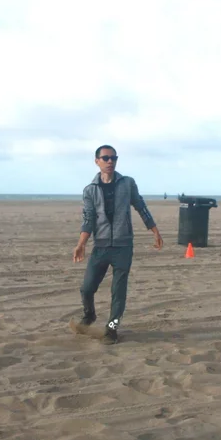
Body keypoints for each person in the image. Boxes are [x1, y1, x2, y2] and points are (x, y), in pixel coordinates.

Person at [72, 145, 163, 344]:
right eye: (105, 158)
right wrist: (81, 244)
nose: (110, 161)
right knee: (87, 288)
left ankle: (112, 329)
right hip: (101, 246)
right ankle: (89, 315)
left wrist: (154, 230)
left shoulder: (128, 183)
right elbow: (88, 220)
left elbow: (140, 206)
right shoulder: (90, 190)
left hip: (123, 247)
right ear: (97, 161)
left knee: (118, 292)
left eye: (114, 158)